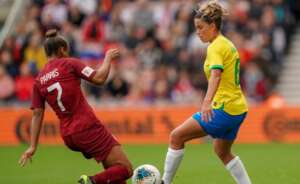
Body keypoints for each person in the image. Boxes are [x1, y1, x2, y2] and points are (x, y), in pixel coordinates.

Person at [19, 29, 133, 184]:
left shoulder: (39, 80)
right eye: (67, 50)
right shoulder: (69, 63)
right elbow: (99, 78)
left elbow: (37, 114)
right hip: (86, 126)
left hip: (68, 135)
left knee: (114, 175)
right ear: (61, 50)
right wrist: (107, 59)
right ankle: (90, 181)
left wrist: (32, 146)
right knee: (126, 169)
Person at [161, 2, 252, 184]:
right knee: (222, 151)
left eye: (201, 27)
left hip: (224, 109)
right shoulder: (226, 43)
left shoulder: (215, 47)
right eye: (196, 28)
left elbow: (216, 75)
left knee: (176, 136)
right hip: (238, 108)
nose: (198, 32)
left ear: (212, 26)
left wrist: (206, 102)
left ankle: (165, 182)